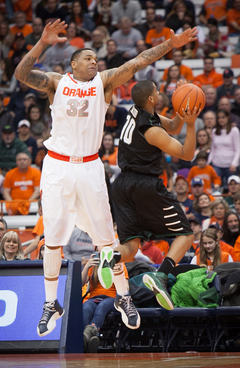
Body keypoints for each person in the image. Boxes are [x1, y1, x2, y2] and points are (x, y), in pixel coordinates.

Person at [14, 18, 198, 336]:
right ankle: (50, 304)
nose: (94, 62)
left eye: (96, 59)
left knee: (107, 240)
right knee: (53, 241)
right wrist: (42, 42)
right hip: (57, 166)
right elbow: (21, 75)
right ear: (73, 63)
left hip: (89, 166)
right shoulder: (57, 82)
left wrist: (170, 45)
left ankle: (123, 297)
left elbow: (139, 60)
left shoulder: (104, 82)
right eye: (88, 58)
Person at [99, 78, 201, 312]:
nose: (160, 91)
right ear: (152, 99)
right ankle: (160, 276)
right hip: (143, 185)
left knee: (131, 247)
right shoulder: (152, 130)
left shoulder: (135, 111)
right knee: (185, 235)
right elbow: (187, 154)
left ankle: (110, 256)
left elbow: (174, 127)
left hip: (121, 184)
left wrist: (180, 103)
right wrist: (193, 124)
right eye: (157, 90)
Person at [81, 252, 129, 353]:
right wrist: (87, 266)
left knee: (101, 307)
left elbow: (127, 288)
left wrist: (117, 274)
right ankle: (88, 341)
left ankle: (89, 332)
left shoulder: (119, 262)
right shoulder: (94, 262)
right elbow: (81, 283)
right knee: (85, 308)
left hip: (113, 298)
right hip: (94, 297)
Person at [207, 109, 240, 190]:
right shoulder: (214, 131)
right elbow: (213, 150)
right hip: (217, 165)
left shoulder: (234, 130)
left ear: (228, 117)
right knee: (215, 188)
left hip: (230, 166)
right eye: (219, 118)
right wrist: (208, 164)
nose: (220, 120)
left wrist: (234, 163)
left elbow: (238, 149)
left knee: (232, 189)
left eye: (223, 117)